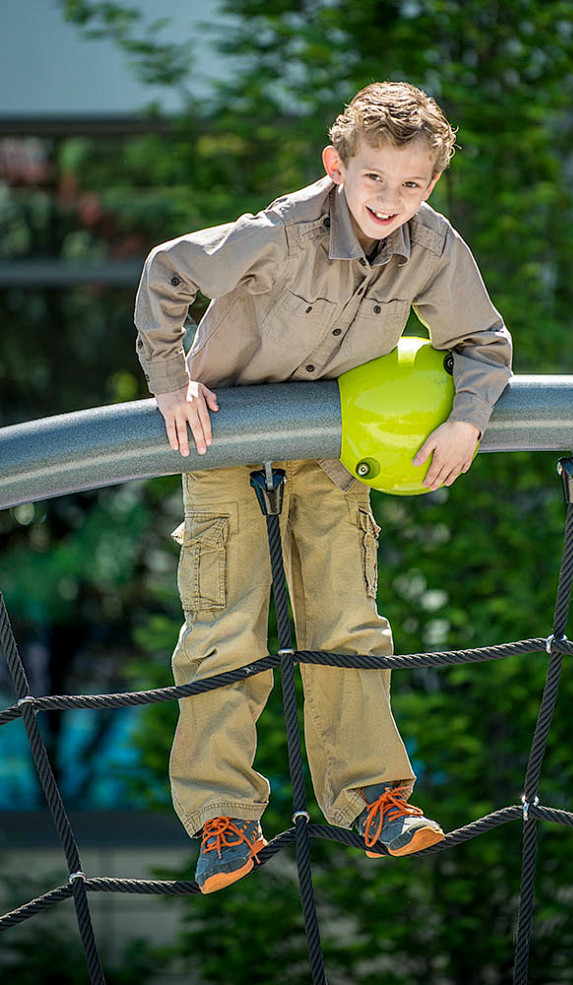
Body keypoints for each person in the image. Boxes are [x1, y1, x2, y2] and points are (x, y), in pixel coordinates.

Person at [134, 81, 512, 894]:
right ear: (337, 166)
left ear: (432, 185)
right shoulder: (278, 230)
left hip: (327, 444)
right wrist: (170, 384)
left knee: (347, 617)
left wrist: (468, 420)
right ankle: (223, 817)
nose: (391, 199)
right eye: (375, 178)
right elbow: (169, 270)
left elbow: (483, 340)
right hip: (226, 436)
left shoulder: (433, 245)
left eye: (413, 184)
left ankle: (372, 798)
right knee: (225, 629)